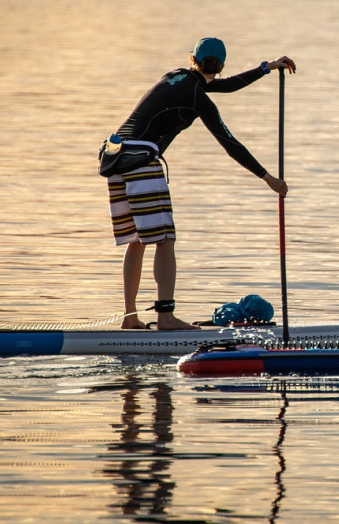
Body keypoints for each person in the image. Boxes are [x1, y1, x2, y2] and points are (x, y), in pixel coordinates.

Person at [105, 37, 295, 330]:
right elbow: (230, 143)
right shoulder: (197, 97)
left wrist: (266, 68)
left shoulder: (174, 77)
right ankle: (165, 317)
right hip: (142, 162)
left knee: (137, 241)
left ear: (192, 59)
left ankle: (130, 318)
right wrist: (267, 178)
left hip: (115, 159)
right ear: (219, 66)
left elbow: (225, 86)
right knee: (165, 239)